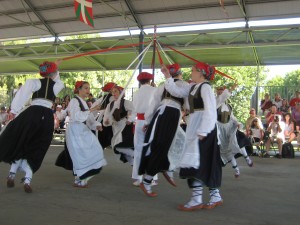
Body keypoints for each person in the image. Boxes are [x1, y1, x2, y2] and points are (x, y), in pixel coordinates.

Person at [161, 62, 222, 211]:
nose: (191, 72)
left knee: (198, 163)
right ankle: (213, 196)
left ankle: (199, 199)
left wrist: (203, 131)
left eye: (193, 70)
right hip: (196, 127)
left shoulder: (206, 87)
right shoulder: (193, 87)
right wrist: (167, 76)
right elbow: (176, 92)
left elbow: (211, 111)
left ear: (201, 73)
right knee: (200, 163)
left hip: (203, 129)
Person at [0, 60, 64, 193]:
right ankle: (28, 179)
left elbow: (22, 94)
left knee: (21, 142)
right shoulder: (58, 85)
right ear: (54, 73)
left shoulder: (33, 82)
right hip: (46, 117)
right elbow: (56, 78)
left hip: (31, 114)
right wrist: (57, 67)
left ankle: (12, 174)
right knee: (37, 147)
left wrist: (13, 111)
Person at [139, 63, 188, 197]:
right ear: (180, 73)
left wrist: (149, 121)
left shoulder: (162, 86)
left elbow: (153, 104)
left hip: (161, 115)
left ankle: (166, 166)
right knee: (166, 145)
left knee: (167, 144)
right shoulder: (184, 85)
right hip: (170, 115)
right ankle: (152, 177)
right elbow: (187, 105)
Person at [64, 81, 107, 187]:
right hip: (75, 129)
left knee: (93, 150)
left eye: (89, 88)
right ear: (79, 89)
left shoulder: (84, 102)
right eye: (86, 88)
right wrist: (92, 109)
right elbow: (76, 116)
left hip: (82, 129)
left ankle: (80, 178)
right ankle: (80, 179)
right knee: (80, 155)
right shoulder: (74, 101)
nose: (88, 90)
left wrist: (96, 124)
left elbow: (89, 118)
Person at [215, 84, 253, 178]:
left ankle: (247, 158)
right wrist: (231, 88)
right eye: (219, 90)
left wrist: (237, 122)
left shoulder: (228, 106)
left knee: (238, 141)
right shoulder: (216, 102)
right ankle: (236, 169)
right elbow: (222, 98)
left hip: (229, 127)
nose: (220, 92)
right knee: (227, 149)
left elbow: (232, 117)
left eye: (222, 90)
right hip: (220, 128)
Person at [131, 72, 158, 186]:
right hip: (150, 121)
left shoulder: (136, 93)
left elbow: (134, 108)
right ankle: (151, 177)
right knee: (151, 148)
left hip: (139, 121)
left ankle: (138, 177)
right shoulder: (154, 91)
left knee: (138, 149)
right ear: (149, 80)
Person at [103, 85, 134, 165]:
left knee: (119, 146)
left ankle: (135, 156)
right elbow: (107, 117)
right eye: (112, 92)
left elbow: (134, 111)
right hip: (115, 127)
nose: (113, 93)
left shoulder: (126, 103)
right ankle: (133, 163)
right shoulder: (110, 105)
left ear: (121, 93)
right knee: (117, 148)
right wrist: (107, 122)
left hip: (124, 127)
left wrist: (130, 119)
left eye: (115, 91)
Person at [91, 82, 116, 149]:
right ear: (110, 90)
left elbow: (93, 107)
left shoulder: (104, 98)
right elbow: (94, 107)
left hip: (109, 119)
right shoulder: (110, 98)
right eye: (114, 88)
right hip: (108, 120)